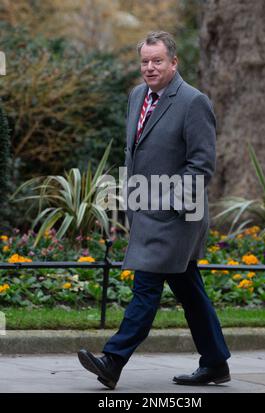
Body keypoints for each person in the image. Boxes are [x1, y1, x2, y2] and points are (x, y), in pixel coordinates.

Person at [78, 31, 231, 390]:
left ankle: (112, 360)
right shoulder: (136, 95)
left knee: (146, 286)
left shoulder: (194, 102)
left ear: (173, 62)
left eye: (157, 61)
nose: (149, 67)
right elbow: (135, 154)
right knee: (189, 288)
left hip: (177, 215)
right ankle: (216, 363)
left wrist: (165, 202)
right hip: (145, 211)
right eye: (145, 61)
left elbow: (202, 165)